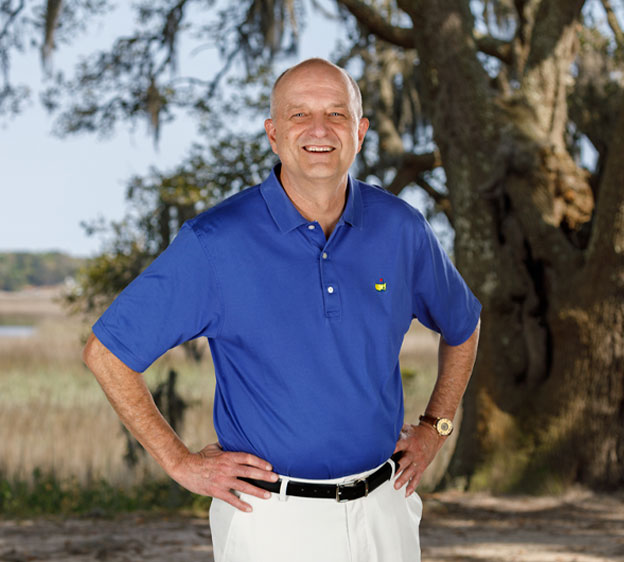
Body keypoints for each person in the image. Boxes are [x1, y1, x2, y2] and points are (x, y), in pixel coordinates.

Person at [83, 57, 481, 561]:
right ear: (273, 134)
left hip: (385, 510)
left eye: (337, 115)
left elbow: (464, 326)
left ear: (359, 133)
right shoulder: (215, 242)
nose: (320, 129)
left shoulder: (403, 229)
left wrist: (436, 429)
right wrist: (180, 462)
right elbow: (107, 353)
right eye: (299, 115)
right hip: (270, 521)